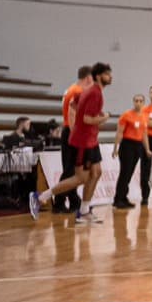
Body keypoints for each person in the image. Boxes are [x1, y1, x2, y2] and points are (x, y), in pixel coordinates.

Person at [30, 62, 110, 224]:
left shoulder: (82, 91)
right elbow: (82, 116)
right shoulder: (87, 92)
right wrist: (103, 118)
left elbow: (75, 107)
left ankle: (83, 209)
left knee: (96, 172)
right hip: (83, 139)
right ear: (94, 77)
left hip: (88, 138)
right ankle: (42, 197)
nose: (110, 77)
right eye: (107, 74)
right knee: (79, 177)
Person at [57, 67, 93, 213]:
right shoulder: (78, 92)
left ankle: (73, 200)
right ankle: (59, 202)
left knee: (73, 170)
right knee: (70, 170)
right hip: (73, 131)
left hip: (69, 130)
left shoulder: (70, 89)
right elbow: (74, 115)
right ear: (88, 78)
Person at [111, 94, 152, 209]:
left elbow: (144, 134)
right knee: (125, 173)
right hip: (127, 145)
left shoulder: (145, 116)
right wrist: (115, 148)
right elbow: (119, 132)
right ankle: (118, 199)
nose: (138, 103)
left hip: (138, 146)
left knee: (129, 173)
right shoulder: (126, 115)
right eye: (136, 101)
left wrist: (147, 149)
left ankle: (123, 197)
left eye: (140, 101)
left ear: (143, 103)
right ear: (133, 102)